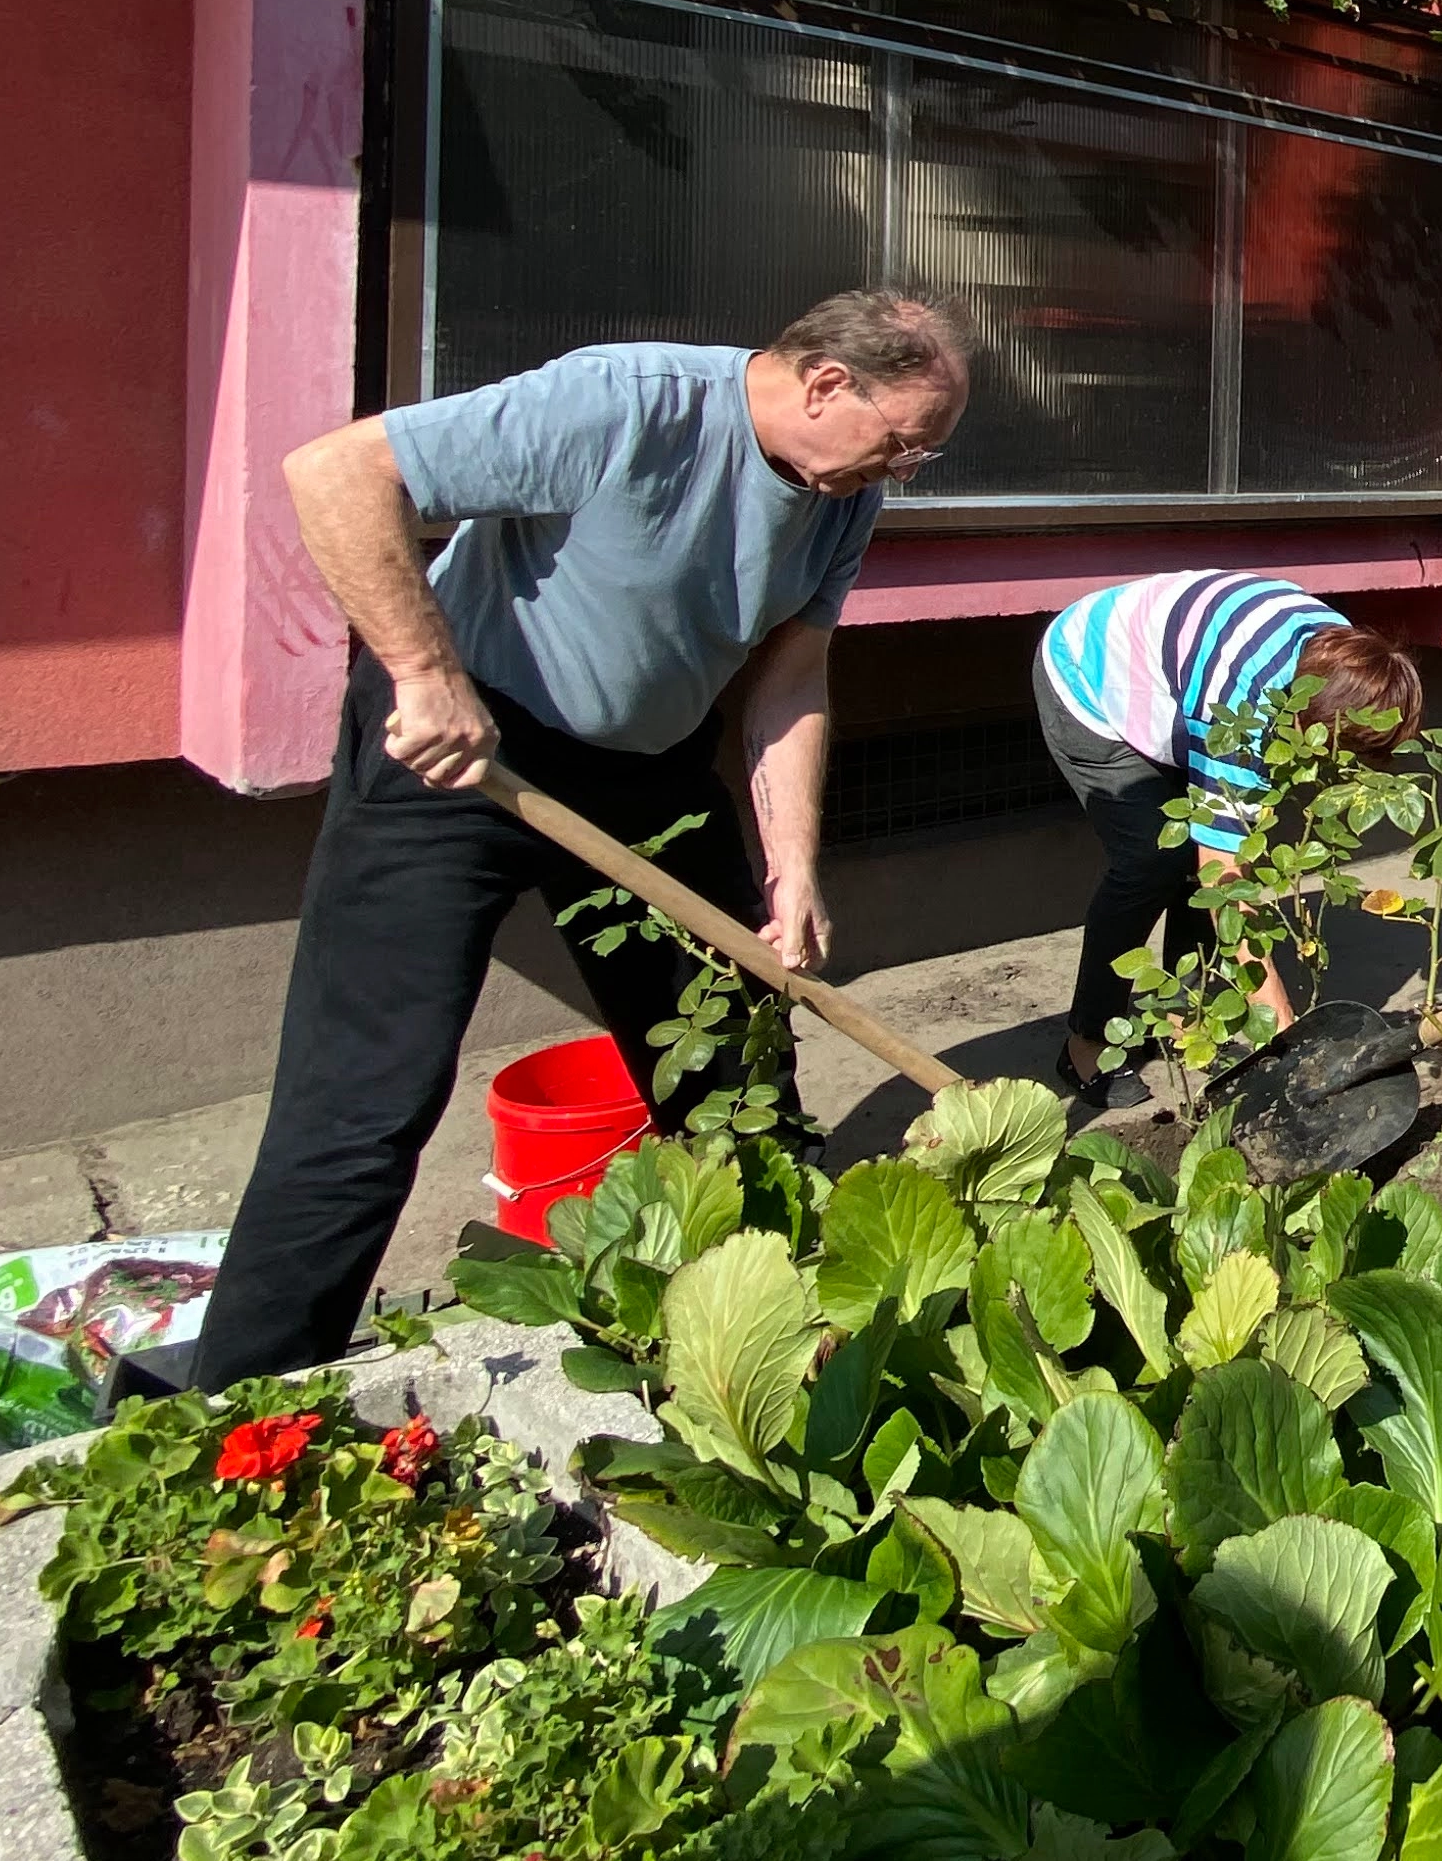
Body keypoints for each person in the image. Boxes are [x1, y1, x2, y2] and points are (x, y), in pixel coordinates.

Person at [192, 290, 970, 1383]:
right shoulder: (628, 403)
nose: (900, 469)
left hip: (648, 775)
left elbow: (791, 677)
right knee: (367, 1104)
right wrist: (424, 673)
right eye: (900, 441)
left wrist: (791, 861)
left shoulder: (838, 492)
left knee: (726, 1065)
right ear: (826, 383)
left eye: (918, 455)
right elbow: (336, 470)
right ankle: (239, 1413)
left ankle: (774, 1334)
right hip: (462, 758)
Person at [1034, 572, 1424, 1103]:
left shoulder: (1349, 659)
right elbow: (1226, 877)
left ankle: (1180, 1018)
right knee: (1151, 860)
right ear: (1315, 720)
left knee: (1204, 846)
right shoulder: (1246, 704)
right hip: (1089, 673)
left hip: (1177, 676)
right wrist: (1283, 1023)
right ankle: (1086, 1043)